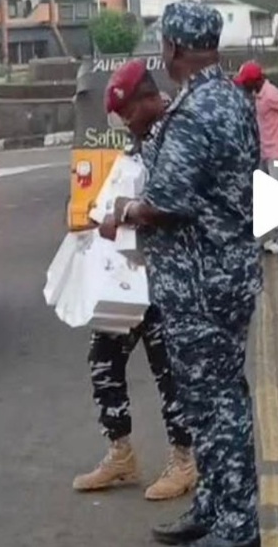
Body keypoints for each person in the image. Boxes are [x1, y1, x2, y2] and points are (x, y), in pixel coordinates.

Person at [109, 1, 263, 547]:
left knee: (219, 406)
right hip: (221, 272)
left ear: (172, 48)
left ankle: (237, 527)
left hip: (203, 282)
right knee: (206, 401)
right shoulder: (231, 99)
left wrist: (124, 212)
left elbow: (165, 203)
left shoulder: (197, 111)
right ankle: (213, 509)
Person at [74, 60, 198, 502]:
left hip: (167, 280)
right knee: (103, 358)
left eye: (128, 112)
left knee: (170, 373)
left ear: (149, 99)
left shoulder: (175, 136)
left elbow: (169, 206)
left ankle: (185, 460)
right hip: (127, 278)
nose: (125, 122)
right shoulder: (140, 139)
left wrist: (122, 213)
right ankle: (120, 451)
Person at [235, 60, 278, 254]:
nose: (244, 86)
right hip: (265, 152)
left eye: (245, 83)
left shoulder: (271, 94)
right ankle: (262, 238)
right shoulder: (258, 95)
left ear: (254, 81)